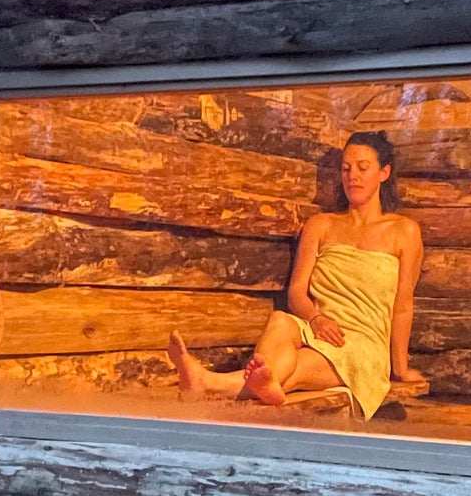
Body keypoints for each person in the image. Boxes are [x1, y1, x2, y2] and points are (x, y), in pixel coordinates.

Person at [168, 129, 426, 417]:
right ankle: (262, 383)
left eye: (363, 168)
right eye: (346, 168)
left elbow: (403, 307)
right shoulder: (321, 225)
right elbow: (296, 293)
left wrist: (400, 369)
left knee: (300, 361)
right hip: (316, 327)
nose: (352, 176)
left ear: (384, 172)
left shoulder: (404, 232)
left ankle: (213, 382)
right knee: (281, 321)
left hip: (362, 344)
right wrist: (315, 319)